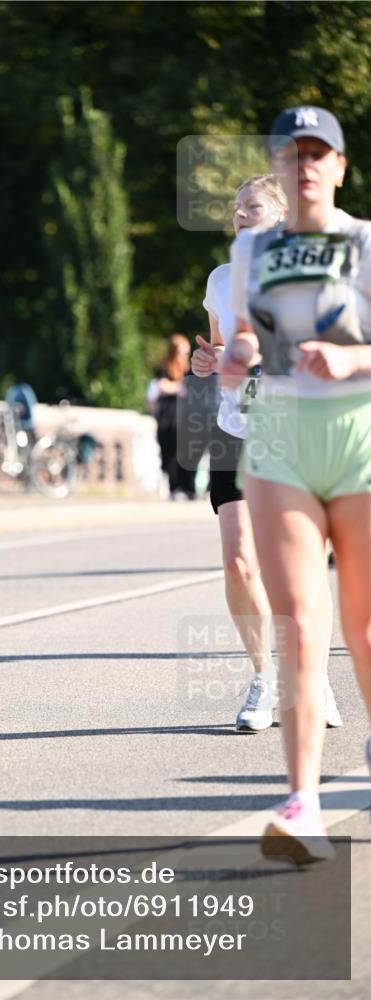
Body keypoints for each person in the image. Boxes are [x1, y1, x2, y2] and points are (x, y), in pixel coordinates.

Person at [220, 107, 371, 862]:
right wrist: (237, 355)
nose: (304, 164)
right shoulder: (253, 247)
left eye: (318, 153)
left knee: (363, 625)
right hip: (278, 439)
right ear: (276, 167)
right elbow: (249, 331)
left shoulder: (365, 241)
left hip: (357, 441)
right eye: (290, 153)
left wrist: (351, 361)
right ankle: (301, 802)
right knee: (300, 622)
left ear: (338, 167)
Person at [192, 174, 342, 733]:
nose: (239, 214)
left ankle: (315, 678)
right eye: (235, 208)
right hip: (233, 430)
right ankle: (265, 676)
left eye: (251, 206)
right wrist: (206, 363)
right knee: (238, 560)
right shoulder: (220, 279)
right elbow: (218, 350)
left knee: (299, 567)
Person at [146, 334, 197, 499]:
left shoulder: (188, 367)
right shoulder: (165, 367)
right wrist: (180, 386)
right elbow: (162, 386)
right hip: (170, 416)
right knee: (171, 452)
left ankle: (189, 487)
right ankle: (175, 488)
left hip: (186, 415)